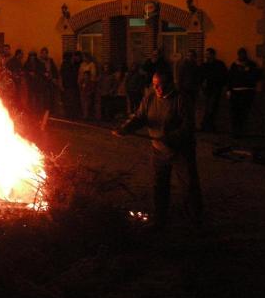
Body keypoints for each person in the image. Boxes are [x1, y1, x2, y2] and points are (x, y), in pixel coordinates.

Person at [114, 70, 202, 230]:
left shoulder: (180, 99)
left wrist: (170, 137)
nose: (158, 89)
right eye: (155, 85)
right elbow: (140, 117)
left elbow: (188, 126)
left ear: (170, 84)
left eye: (161, 85)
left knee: (189, 186)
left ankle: (196, 222)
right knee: (160, 185)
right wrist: (126, 128)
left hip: (180, 151)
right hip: (159, 150)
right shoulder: (150, 98)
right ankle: (160, 218)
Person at [228, 47, 260, 138]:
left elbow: (256, 76)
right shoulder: (234, 65)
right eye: (240, 54)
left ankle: (242, 132)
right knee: (235, 113)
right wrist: (229, 90)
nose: (241, 56)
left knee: (244, 112)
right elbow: (230, 78)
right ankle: (235, 132)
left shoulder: (251, 65)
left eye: (243, 54)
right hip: (235, 91)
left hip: (247, 91)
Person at [200, 48, 227, 132]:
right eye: (206, 54)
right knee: (208, 108)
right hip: (207, 90)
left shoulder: (219, 64)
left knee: (212, 108)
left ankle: (208, 126)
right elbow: (200, 77)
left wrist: (221, 86)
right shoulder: (204, 65)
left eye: (208, 54)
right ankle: (207, 126)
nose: (206, 56)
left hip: (216, 89)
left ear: (212, 55)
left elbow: (224, 76)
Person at [78, 53, 99, 120]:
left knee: (88, 100)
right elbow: (80, 73)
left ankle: (87, 115)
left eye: (85, 57)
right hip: (82, 82)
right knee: (83, 100)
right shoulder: (82, 64)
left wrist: (91, 83)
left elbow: (93, 75)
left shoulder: (92, 65)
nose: (84, 59)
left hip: (88, 83)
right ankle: (84, 113)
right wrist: (79, 81)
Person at [59, 51, 80, 120]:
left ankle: (69, 114)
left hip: (69, 85)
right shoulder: (68, 65)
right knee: (69, 100)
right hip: (69, 85)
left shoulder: (66, 64)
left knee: (69, 100)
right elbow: (63, 75)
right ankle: (70, 115)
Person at [38, 47, 59, 114]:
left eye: (45, 53)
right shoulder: (39, 62)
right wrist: (43, 73)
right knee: (44, 97)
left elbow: (54, 70)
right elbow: (38, 71)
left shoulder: (50, 60)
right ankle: (44, 110)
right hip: (43, 82)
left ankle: (51, 110)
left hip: (51, 81)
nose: (44, 55)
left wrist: (55, 78)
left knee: (51, 96)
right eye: (43, 53)